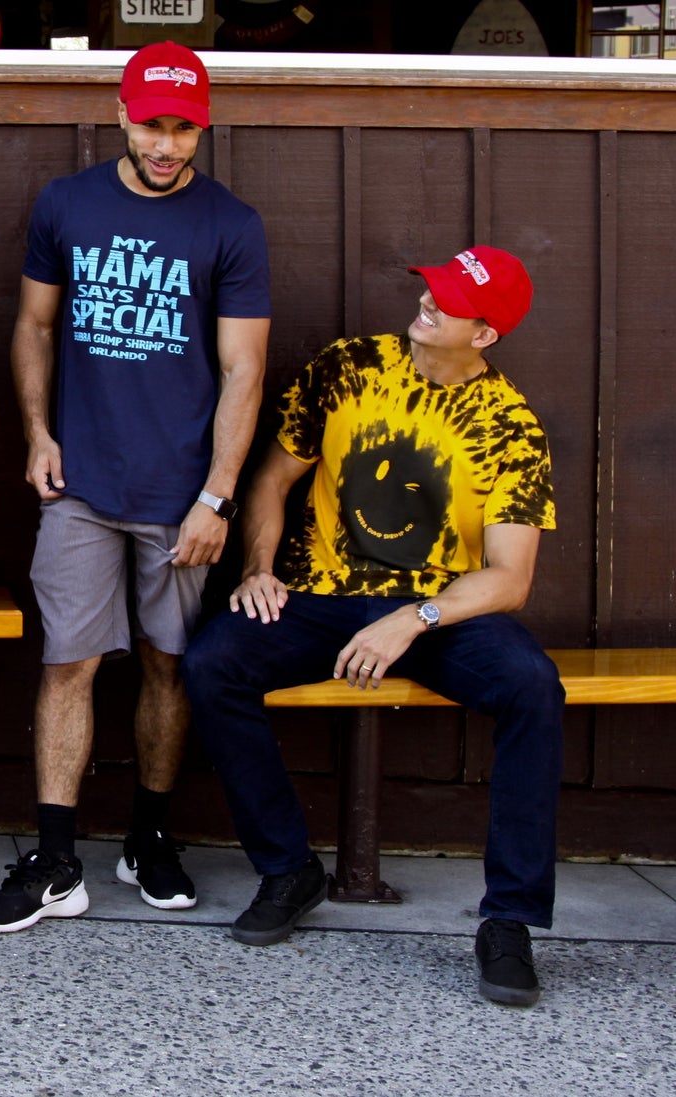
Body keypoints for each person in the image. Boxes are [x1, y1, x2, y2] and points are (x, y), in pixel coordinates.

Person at [180, 246, 562, 1007]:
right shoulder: (349, 365)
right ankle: (289, 868)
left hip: (434, 610)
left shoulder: (510, 425)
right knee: (213, 662)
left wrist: (412, 619)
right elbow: (274, 478)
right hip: (319, 592)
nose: (427, 303)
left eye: (449, 301)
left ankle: (510, 920)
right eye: (431, 287)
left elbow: (509, 578)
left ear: (484, 334)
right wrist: (259, 568)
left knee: (532, 687)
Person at [0, 41, 271, 933]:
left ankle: (149, 833)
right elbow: (32, 325)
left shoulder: (231, 223)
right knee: (67, 663)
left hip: (181, 498)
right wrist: (36, 433)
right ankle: (58, 860)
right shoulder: (67, 203)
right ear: (123, 115)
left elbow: (244, 368)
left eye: (184, 128)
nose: (168, 144)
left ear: (202, 126)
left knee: (166, 662)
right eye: (153, 125)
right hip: (82, 486)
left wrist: (217, 495)